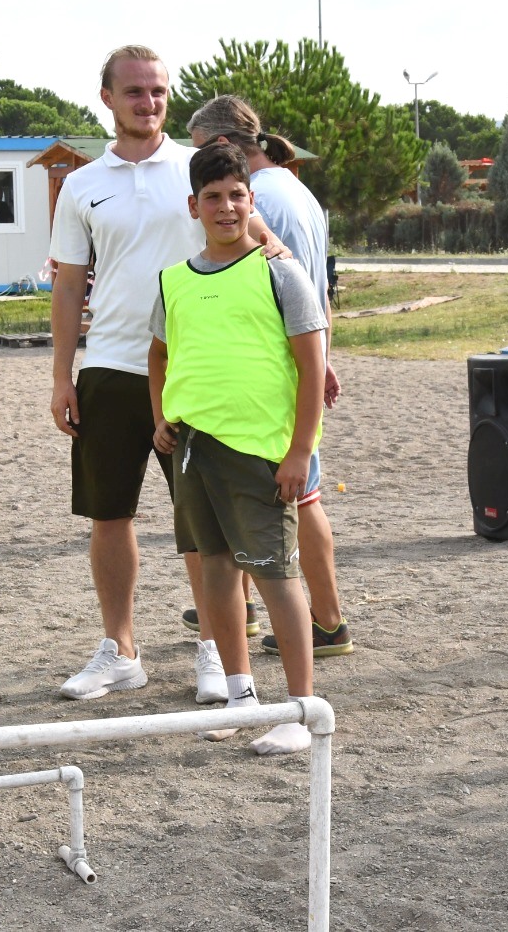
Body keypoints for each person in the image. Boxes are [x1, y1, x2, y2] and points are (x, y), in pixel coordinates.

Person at [45, 45, 285, 703]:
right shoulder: (83, 185)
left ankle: (215, 650)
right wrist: (63, 375)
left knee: (204, 527)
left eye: (157, 92)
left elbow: (269, 248)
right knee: (108, 514)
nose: (147, 103)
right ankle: (120, 651)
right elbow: (68, 286)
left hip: (198, 375)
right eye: (134, 92)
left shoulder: (196, 168)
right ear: (107, 98)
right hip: (111, 369)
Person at [148, 141, 325, 754]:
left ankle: (300, 710)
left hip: (260, 451)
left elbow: (311, 362)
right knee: (216, 573)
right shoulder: (174, 281)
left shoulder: (279, 272)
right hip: (194, 449)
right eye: (213, 198)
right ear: (193, 205)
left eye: (237, 197)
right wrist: (161, 418)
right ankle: (240, 694)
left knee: (276, 574)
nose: (226, 208)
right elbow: (159, 354)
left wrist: (301, 450)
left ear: (251, 202)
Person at [185, 95, 354, 661]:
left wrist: (312, 360)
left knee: (289, 503)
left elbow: (270, 285)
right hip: (301, 358)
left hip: (272, 381)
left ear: (222, 146)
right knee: (302, 500)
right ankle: (310, 615)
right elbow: (320, 284)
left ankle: (312, 618)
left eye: (199, 148)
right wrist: (325, 350)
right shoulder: (298, 190)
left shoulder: (260, 203)